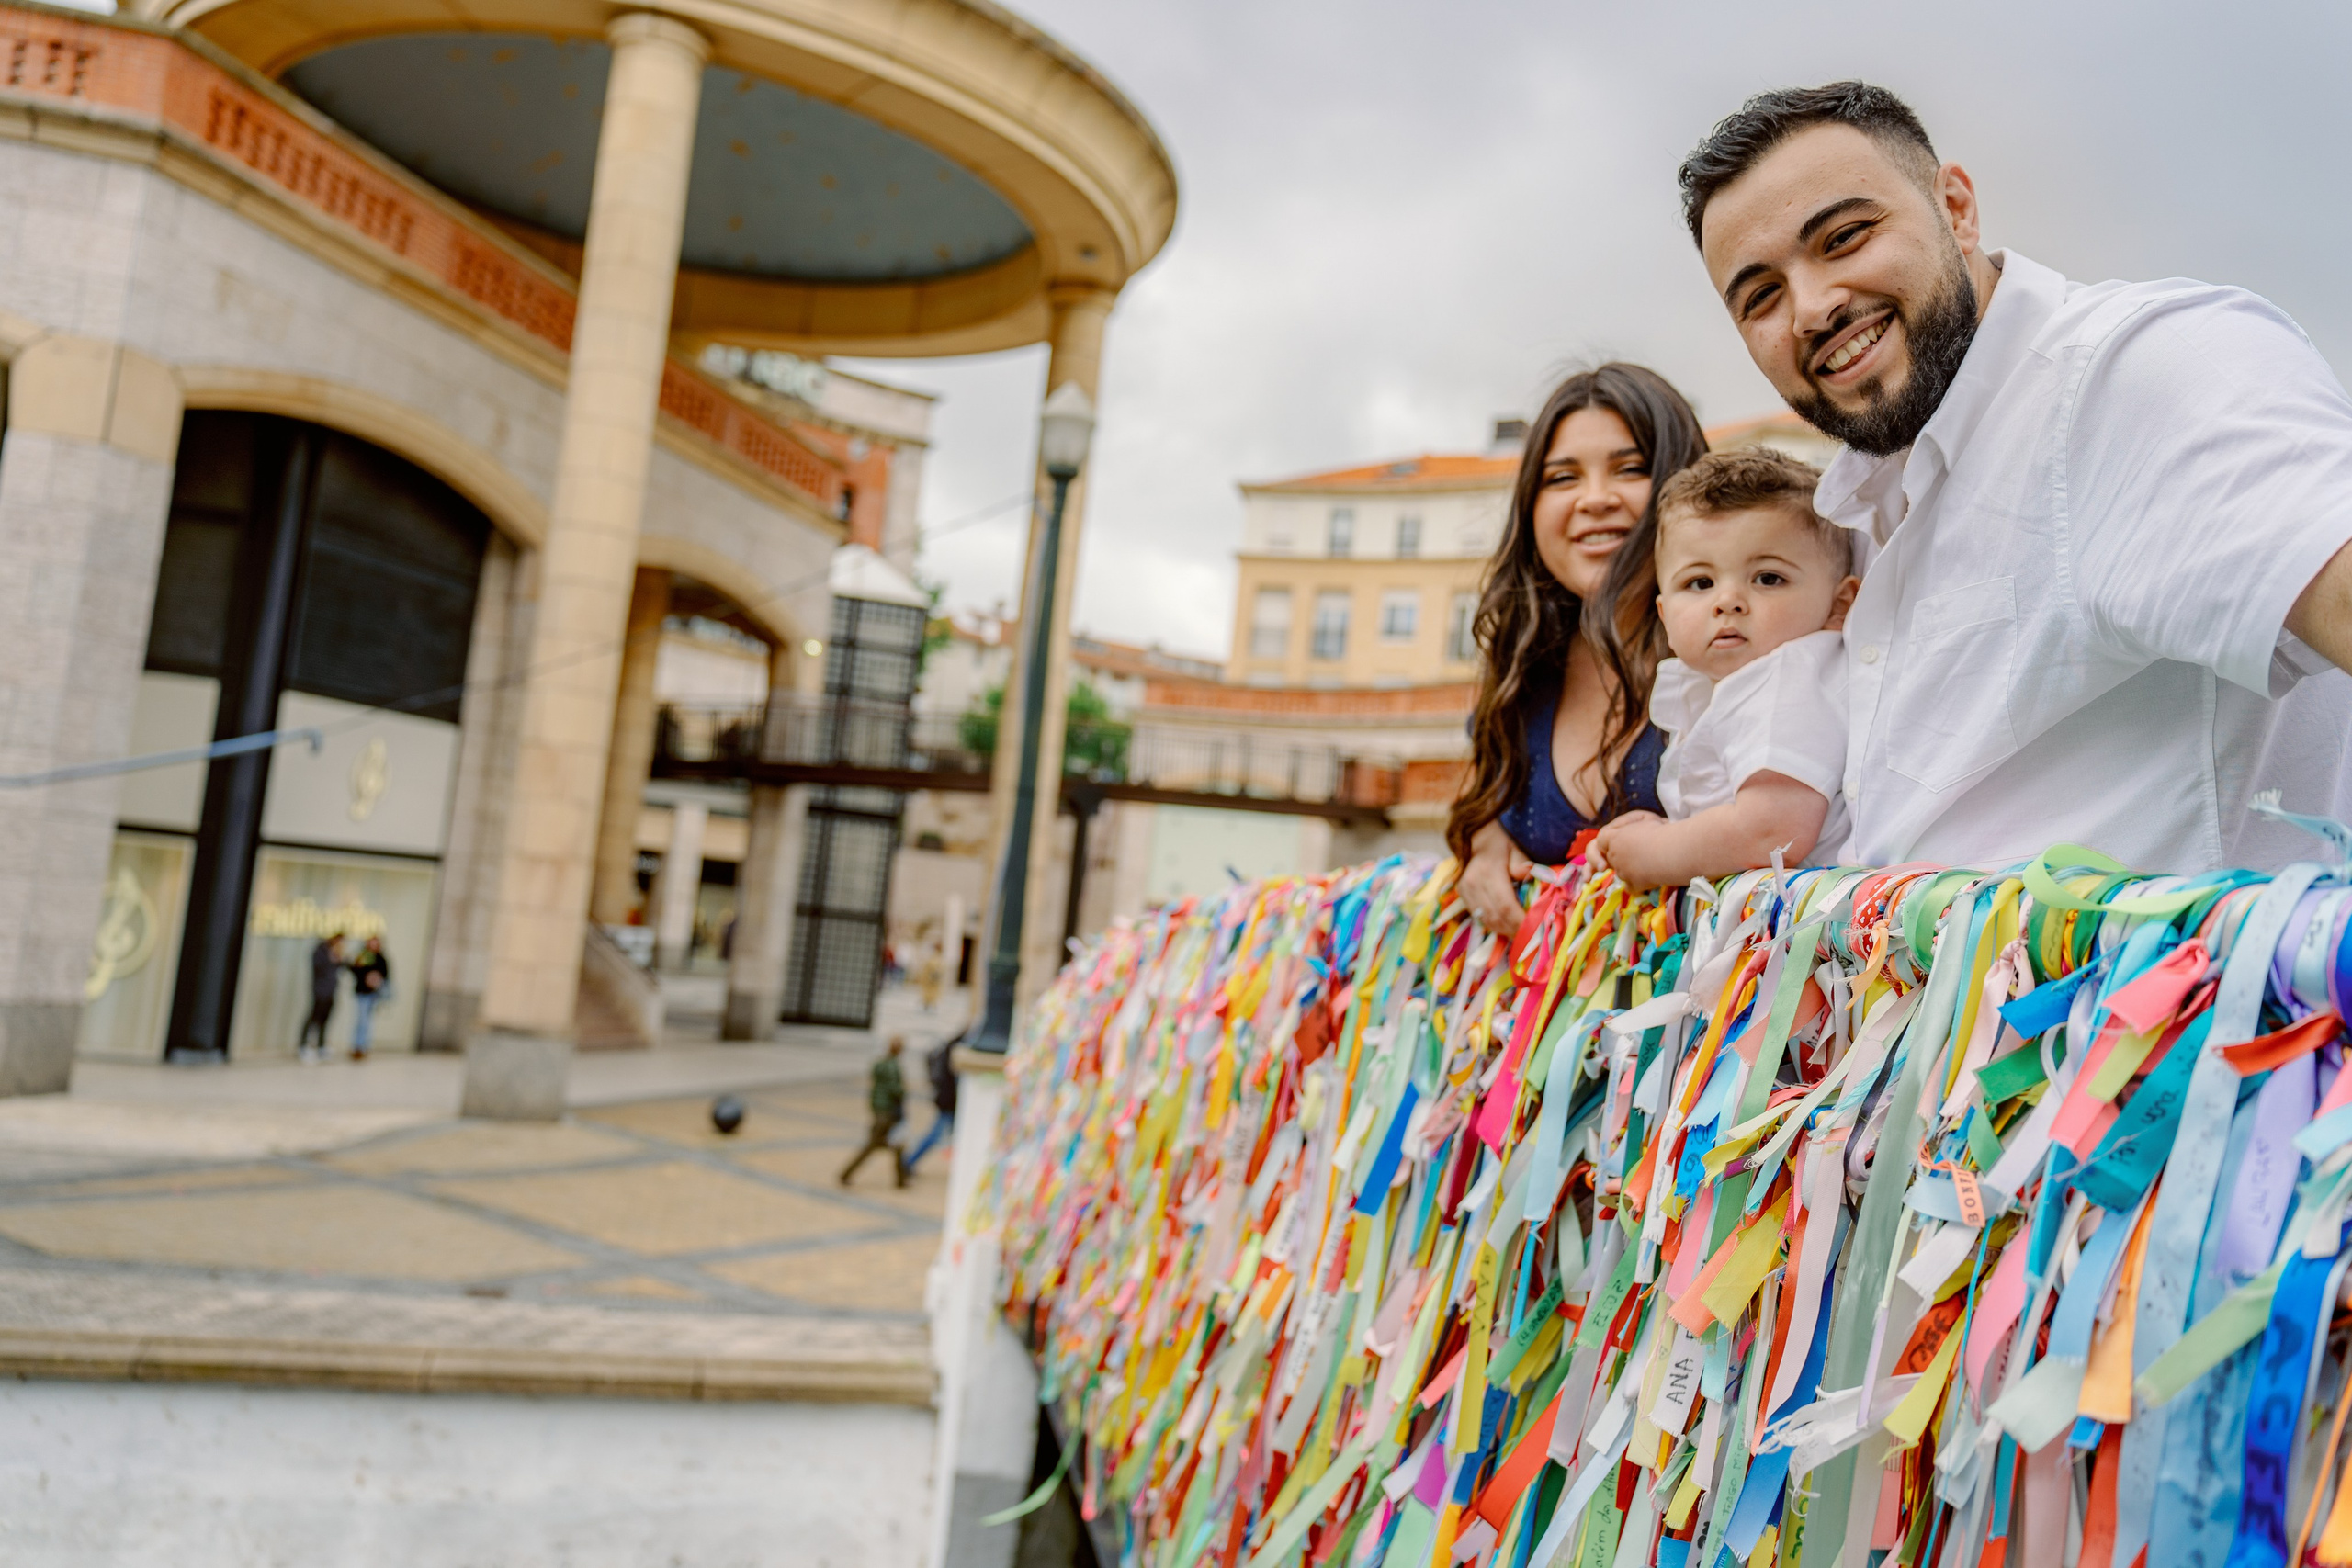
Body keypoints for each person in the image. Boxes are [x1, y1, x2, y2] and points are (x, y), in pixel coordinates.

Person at [1679, 82, 2352, 872]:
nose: (1812, 308)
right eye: (1761, 295)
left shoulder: (2128, 373)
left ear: (1957, 209)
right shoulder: (1867, 503)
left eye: (1845, 238)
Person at [1447, 365, 1712, 936]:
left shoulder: (1748, 659)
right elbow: (1476, 800)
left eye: (1631, 469)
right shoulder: (1517, 684)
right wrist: (1484, 838)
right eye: (1562, 478)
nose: (1594, 499)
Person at [1593, 449, 1859, 887]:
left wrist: (1655, 853)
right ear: (1664, 613)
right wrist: (1655, 832)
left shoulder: (1786, 679)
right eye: (1700, 583)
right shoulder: (1732, 685)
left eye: (1768, 578)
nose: (1728, 600)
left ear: (1839, 604)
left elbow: (1773, 831)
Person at [839, 1036, 910, 1189]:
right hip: (886, 1112)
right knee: (876, 1145)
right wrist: (903, 1091)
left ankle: (901, 1179)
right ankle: (845, 1174)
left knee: (896, 1146)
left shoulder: (881, 1063)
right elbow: (895, 1089)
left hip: (879, 1109)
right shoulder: (892, 1066)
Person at [899, 1039, 959, 1180]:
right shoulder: (951, 1055)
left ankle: (908, 1161)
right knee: (935, 1135)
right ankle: (908, 1162)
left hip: (947, 1103)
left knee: (939, 1135)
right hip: (948, 1104)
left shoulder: (948, 1050)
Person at [298, 933, 343, 1063]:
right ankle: (303, 1045)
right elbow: (318, 968)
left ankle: (321, 1046)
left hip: (331, 991)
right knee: (313, 1018)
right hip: (319, 991)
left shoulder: (336, 953)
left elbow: (340, 968)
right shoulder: (321, 951)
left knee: (325, 1020)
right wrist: (331, 959)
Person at [346, 934, 390, 1060]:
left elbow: (386, 975)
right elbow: (354, 970)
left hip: (374, 994)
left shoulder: (381, 958)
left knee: (368, 1021)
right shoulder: (363, 956)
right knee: (362, 1019)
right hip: (362, 992)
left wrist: (376, 978)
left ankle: (364, 1045)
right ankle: (358, 1046)